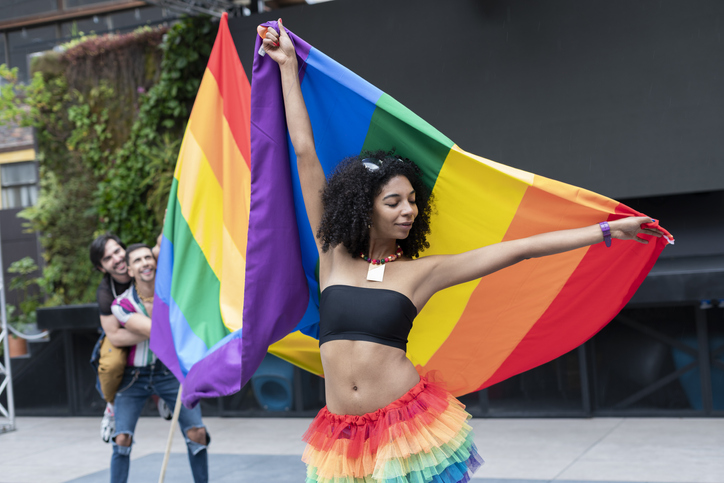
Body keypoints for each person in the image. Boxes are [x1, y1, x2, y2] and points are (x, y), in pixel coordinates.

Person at [261, 19, 663, 483]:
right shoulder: (331, 254)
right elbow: (305, 151)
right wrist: (288, 65)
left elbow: (520, 250)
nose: (408, 211)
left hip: (404, 428)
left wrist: (607, 231)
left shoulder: (422, 273)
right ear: (362, 209)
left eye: (413, 202)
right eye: (393, 202)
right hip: (342, 436)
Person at [108, 243, 209, 483]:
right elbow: (160, 332)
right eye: (138, 261)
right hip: (133, 378)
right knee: (122, 438)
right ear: (130, 270)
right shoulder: (120, 304)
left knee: (198, 434)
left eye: (148, 257)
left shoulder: (174, 292)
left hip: (170, 374)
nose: (145, 263)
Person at [89, 233, 171, 443]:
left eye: (117, 251)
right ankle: (111, 407)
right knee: (111, 364)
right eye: (107, 258)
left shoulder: (145, 262)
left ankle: (162, 394)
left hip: (152, 322)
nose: (116, 259)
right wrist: (146, 329)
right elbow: (114, 335)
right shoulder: (107, 292)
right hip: (124, 331)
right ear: (101, 268)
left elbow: (163, 242)